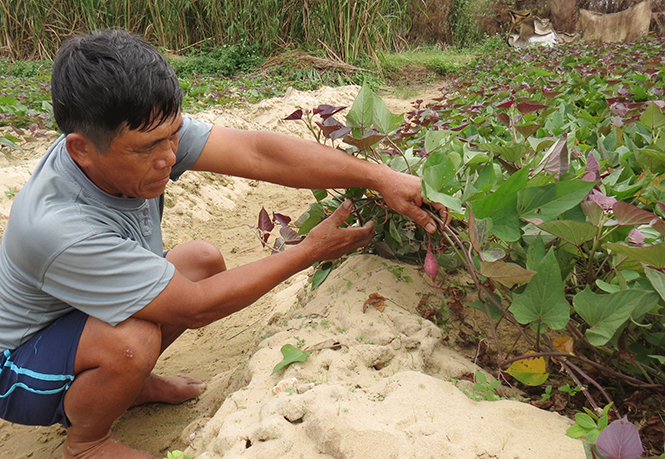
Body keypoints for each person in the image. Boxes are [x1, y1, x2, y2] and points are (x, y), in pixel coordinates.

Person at [0, 28, 441, 458]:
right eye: (149, 148)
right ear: (80, 149)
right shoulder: (59, 227)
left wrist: (379, 177)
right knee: (131, 342)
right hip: (18, 359)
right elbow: (195, 306)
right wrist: (308, 251)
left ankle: (128, 387)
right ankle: (86, 442)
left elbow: (256, 152)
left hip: (77, 312)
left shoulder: (142, 128)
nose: (169, 157)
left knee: (201, 260)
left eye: (174, 135)